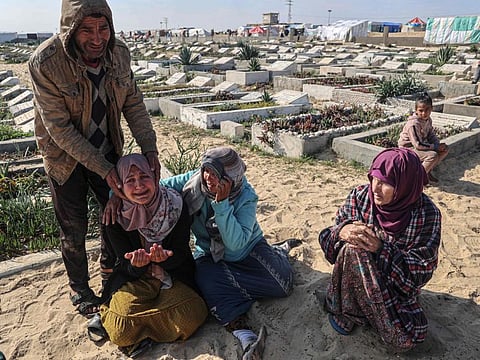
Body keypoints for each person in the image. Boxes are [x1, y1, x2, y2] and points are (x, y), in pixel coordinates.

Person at [28, 0, 160, 317]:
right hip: (64, 157)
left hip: (106, 146)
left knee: (114, 213)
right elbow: (59, 129)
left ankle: (109, 268)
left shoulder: (119, 54)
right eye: (86, 29)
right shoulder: (46, 62)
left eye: (103, 28)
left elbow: (134, 104)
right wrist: (104, 170)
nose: (97, 38)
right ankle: (80, 290)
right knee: (73, 227)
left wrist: (149, 147)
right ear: (70, 30)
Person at [160, 147, 298, 360]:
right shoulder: (193, 183)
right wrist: (117, 194)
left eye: (215, 173)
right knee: (207, 285)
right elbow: (156, 188)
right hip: (209, 254)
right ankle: (244, 334)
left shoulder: (246, 195)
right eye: (206, 169)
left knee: (282, 285)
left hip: (247, 250)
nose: (208, 177)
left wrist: (221, 205)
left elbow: (235, 244)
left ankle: (278, 252)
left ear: (230, 178)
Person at [317, 148, 441, 351]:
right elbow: (328, 241)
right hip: (351, 277)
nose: (376, 187)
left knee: (407, 338)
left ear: (405, 185)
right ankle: (350, 311)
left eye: (386, 182)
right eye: (374, 178)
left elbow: (421, 271)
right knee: (353, 249)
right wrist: (342, 230)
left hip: (394, 286)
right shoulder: (361, 196)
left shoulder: (427, 214)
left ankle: (355, 309)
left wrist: (381, 249)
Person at [89, 154, 207, 357]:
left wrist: (165, 259)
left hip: (171, 277)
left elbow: (181, 253)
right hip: (135, 281)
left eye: (144, 177)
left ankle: (141, 332)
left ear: (155, 177)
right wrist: (137, 265)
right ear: (120, 186)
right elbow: (123, 265)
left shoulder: (175, 205)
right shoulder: (115, 216)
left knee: (193, 314)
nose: (139, 186)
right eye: (130, 180)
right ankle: (149, 329)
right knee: (121, 327)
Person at [397, 93, 448, 184]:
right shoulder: (413, 124)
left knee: (444, 150)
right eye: (421, 110)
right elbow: (418, 145)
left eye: (427, 110)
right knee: (432, 155)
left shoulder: (428, 120)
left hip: (419, 146)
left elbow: (431, 135)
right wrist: (435, 147)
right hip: (408, 148)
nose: (424, 113)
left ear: (431, 108)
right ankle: (417, 179)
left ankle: (427, 171)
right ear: (416, 110)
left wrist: (438, 144)